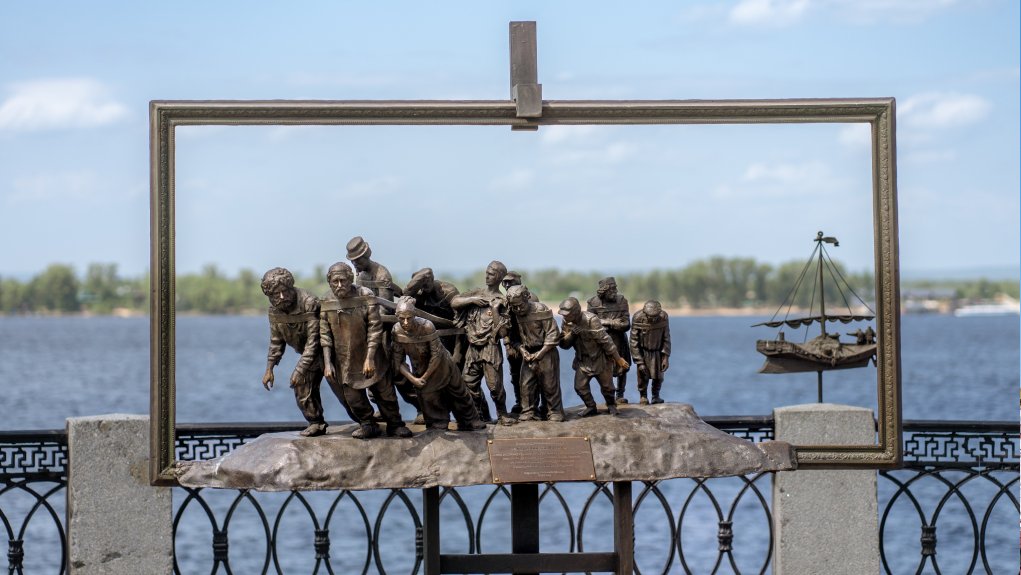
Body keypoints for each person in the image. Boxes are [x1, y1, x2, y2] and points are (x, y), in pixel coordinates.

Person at [320, 262, 412, 439]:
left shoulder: (365, 295)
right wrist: (327, 363)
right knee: (354, 398)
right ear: (329, 282)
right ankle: (368, 424)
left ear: (350, 279)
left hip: (372, 355)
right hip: (345, 360)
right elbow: (325, 335)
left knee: (386, 394)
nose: (339, 285)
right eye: (335, 282)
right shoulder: (326, 301)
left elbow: (375, 328)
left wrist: (369, 358)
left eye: (343, 281)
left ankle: (395, 424)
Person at [346, 235, 420, 421]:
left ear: (366, 256)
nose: (355, 265)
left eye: (357, 261)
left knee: (397, 373)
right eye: (353, 261)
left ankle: (422, 407)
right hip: (368, 331)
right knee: (372, 372)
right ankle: (383, 408)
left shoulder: (382, 274)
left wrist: (366, 317)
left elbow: (385, 308)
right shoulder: (360, 275)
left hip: (385, 331)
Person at [260, 267, 338, 437]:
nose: (282, 297)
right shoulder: (274, 310)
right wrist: (269, 369)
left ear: (291, 287)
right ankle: (316, 423)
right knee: (301, 385)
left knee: (346, 394)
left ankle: (367, 422)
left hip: (331, 351)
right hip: (310, 356)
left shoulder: (308, 302)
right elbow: (276, 341)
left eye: (285, 291)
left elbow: (314, 340)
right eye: (276, 294)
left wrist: (299, 369)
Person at [390, 296, 486, 431]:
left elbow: (436, 355)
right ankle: (437, 424)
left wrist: (425, 377)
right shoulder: (396, 331)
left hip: (442, 364)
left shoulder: (427, 326)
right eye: (401, 318)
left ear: (415, 315)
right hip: (420, 368)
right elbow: (398, 361)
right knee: (429, 398)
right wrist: (414, 379)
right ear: (397, 316)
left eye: (409, 318)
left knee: (458, 392)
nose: (405, 322)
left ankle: (470, 420)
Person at [451, 261, 514, 425]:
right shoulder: (476, 293)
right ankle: (477, 415)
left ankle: (502, 414)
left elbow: (503, 333)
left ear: (499, 277)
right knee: (468, 383)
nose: (487, 276)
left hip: (490, 347)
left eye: (491, 274)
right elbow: (454, 302)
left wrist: (495, 310)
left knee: (495, 386)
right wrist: (472, 300)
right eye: (487, 273)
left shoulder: (502, 300)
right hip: (473, 347)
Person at [558, 296, 630, 417]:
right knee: (580, 387)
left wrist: (618, 359)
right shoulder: (566, 323)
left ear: (576, 312)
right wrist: (572, 334)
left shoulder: (591, 319)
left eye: (567, 315)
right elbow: (564, 345)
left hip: (600, 359)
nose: (564, 317)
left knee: (608, 387)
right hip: (583, 361)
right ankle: (591, 406)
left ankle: (611, 405)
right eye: (563, 315)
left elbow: (606, 340)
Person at [505, 285, 566, 422]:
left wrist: (541, 352)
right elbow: (513, 337)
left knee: (550, 384)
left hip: (547, 351)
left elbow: (553, 334)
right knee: (526, 384)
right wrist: (522, 351)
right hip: (528, 352)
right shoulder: (514, 313)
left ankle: (554, 411)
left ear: (527, 298)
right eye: (514, 307)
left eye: (520, 305)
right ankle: (529, 411)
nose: (518, 310)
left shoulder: (540, 309)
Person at [501, 270, 542, 415]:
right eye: (505, 282)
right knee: (515, 375)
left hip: (531, 343)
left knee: (534, 374)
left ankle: (535, 404)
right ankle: (520, 402)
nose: (507, 285)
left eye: (510, 281)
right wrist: (508, 345)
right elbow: (505, 326)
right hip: (514, 343)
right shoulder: (505, 301)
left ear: (519, 280)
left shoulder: (531, 298)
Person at [587, 277, 632, 403]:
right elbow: (590, 323)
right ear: (604, 290)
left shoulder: (622, 301)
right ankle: (609, 397)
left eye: (615, 288)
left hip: (619, 339)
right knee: (604, 368)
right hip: (601, 341)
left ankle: (620, 394)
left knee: (623, 367)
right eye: (612, 289)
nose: (615, 291)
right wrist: (614, 322)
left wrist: (604, 322)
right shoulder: (592, 302)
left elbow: (626, 324)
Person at [404, 267, 464, 363]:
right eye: (421, 283)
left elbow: (461, 322)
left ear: (432, 279)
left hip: (452, 336)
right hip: (431, 338)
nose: (425, 285)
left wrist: (458, 352)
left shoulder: (448, 291)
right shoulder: (420, 295)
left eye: (427, 281)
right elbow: (405, 295)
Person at [629, 300, 671, 405]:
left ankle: (655, 396)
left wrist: (665, 357)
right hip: (643, 352)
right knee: (643, 376)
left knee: (659, 377)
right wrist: (640, 362)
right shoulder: (637, 318)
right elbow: (633, 341)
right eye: (650, 317)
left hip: (658, 352)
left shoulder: (663, 317)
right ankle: (643, 396)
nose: (653, 319)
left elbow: (666, 338)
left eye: (655, 316)